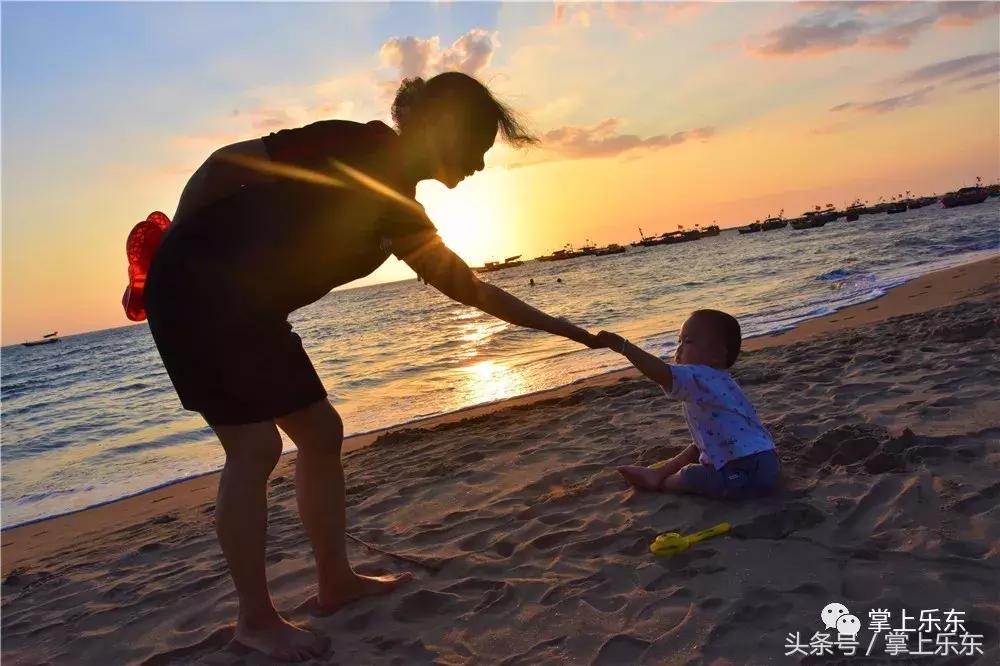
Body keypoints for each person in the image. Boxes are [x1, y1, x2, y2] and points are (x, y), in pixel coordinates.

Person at [144, 72, 601, 662]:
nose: (482, 165)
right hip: (193, 291)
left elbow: (469, 288)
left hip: (254, 309)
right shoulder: (352, 143)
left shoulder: (401, 212)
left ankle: (335, 583)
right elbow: (221, 165)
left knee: (319, 431)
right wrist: (183, 238)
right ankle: (255, 621)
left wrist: (563, 329)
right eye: (480, 146)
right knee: (253, 448)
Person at [595, 309, 779, 500]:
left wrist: (624, 347)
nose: (679, 349)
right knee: (697, 447)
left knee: (690, 475)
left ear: (716, 354)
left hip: (744, 472)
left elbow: (662, 373)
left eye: (688, 342)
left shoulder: (700, 376)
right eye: (679, 342)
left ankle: (661, 483)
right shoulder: (722, 381)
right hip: (765, 461)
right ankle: (660, 472)